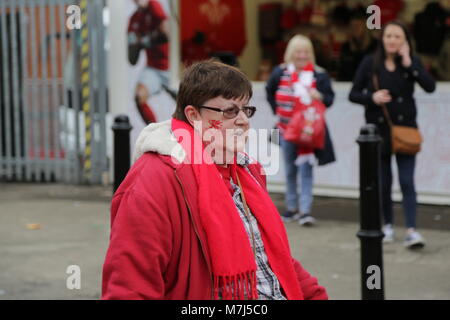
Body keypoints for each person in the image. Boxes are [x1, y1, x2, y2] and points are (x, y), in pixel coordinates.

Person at [102, 60, 328, 300]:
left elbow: (274, 257)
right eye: (230, 111)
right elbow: (129, 288)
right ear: (193, 115)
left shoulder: (245, 171)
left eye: (246, 109)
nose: (243, 120)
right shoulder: (154, 180)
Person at [349, 21, 436, 249]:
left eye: (397, 37)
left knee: (407, 182)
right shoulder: (369, 63)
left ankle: (411, 230)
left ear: (405, 41)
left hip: (406, 132)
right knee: (383, 183)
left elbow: (430, 86)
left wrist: (409, 63)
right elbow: (353, 94)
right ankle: (387, 226)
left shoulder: (410, 64)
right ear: (382, 38)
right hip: (379, 133)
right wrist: (372, 97)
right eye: (388, 36)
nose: (392, 40)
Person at [266, 35, 336, 226]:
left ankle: (305, 210)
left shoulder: (318, 74)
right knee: (289, 170)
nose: (302, 55)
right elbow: (270, 91)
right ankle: (291, 208)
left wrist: (319, 95)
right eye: (298, 51)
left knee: (306, 170)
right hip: (285, 129)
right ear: (291, 53)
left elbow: (329, 99)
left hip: (308, 132)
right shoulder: (280, 72)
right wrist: (278, 112)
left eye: (305, 51)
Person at [127, 0, 174, 125]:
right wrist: (134, 45)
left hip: (173, 69)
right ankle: (155, 133)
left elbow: (166, 32)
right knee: (139, 96)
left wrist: (143, 41)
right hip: (153, 69)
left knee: (190, 103)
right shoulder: (134, 20)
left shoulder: (155, 6)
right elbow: (132, 59)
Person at [337, 12, 378, 81]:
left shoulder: (375, 44)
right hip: (348, 82)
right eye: (352, 26)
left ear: (365, 27)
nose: (355, 29)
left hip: (368, 82)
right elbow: (343, 68)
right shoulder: (346, 46)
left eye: (358, 26)